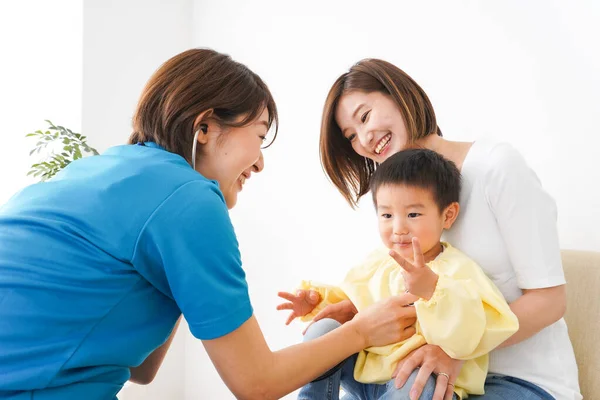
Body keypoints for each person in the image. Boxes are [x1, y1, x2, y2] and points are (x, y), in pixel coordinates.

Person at [0, 49, 420, 400]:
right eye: (258, 135)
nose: (259, 161)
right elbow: (257, 382)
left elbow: (142, 370)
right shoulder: (187, 197)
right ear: (204, 127)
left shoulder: (100, 172)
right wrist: (361, 331)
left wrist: (184, 275)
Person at [313, 58, 581, 400]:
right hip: (424, 371)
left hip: (518, 379)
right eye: (351, 136)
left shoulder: (496, 168)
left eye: (364, 116)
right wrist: (355, 310)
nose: (364, 138)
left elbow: (550, 300)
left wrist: (459, 351)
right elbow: (420, 296)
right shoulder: (400, 202)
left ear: (399, 94)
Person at [277, 149, 519, 399]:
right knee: (325, 328)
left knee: (419, 379)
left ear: (447, 215)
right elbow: (354, 305)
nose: (398, 228)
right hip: (366, 377)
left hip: (413, 383)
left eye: (413, 214)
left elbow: (473, 329)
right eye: (387, 215)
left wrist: (432, 289)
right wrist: (318, 301)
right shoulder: (379, 263)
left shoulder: (459, 270)